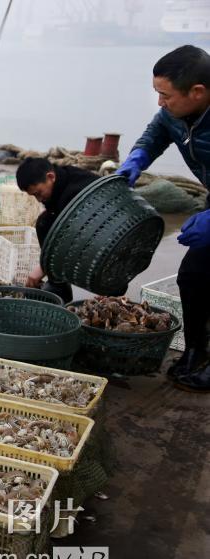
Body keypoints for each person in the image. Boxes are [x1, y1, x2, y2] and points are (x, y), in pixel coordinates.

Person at [116, 45, 210, 392]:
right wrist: (137, 157)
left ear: (197, 91)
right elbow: (157, 130)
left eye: (165, 95)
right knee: (194, 276)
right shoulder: (177, 112)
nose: (160, 102)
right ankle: (197, 352)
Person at [14, 157, 99, 303]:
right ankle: (58, 284)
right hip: (84, 226)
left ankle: (56, 280)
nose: (39, 200)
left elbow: (73, 238)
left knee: (47, 224)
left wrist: (42, 268)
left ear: (50, 177)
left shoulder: (73, 193)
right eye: (34, 195)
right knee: (44, 223)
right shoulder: (59, 182)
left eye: (38, 193)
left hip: (101, 231)